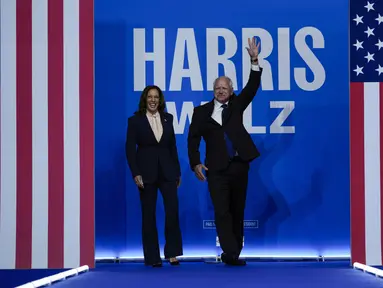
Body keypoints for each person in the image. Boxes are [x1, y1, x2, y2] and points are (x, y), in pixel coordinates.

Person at [187, 37, 262, 266]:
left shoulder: (237, 105)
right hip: (216, 168)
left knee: (237, 210)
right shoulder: (201, 112)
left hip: (239, 165)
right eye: (217, 88)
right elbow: (193, 139)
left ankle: (234, 253)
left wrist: (254, 61)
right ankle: (229, 251)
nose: (221, 91)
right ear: (213, 91)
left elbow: (252, 87)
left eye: (225, 88)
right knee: (222, 211)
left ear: (231, 90)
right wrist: (195, 162)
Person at [125, 85, 183, 267]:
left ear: (160, 100)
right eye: (150, 97)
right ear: (145, 99)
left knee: (172, 212)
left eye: (156, 97)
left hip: (168, 172)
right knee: (148, 215)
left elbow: (172, 146)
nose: (153, 100)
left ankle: (172, 253)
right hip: (146, 174)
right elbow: (129, 149)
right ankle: (152, 257)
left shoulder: (168, 118)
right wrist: (136, 173)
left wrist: (177, 171)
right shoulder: (135, 121)